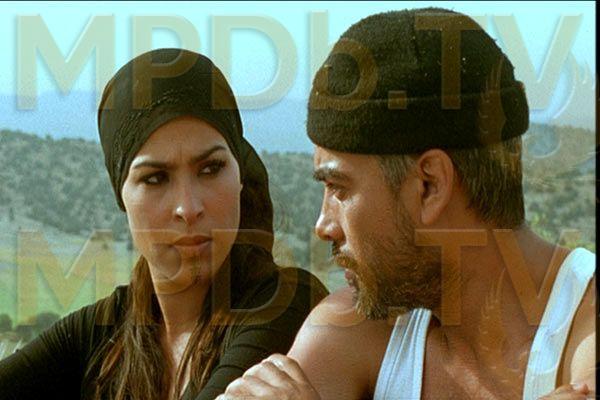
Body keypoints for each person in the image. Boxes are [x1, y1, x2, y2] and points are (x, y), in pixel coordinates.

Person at [217, 8, 595, 400]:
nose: (324, 225)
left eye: (339, 189)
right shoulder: (352, 332)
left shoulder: (585, 326)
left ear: (429, 186)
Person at [0, 48, 328, 400]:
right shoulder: (104, 333)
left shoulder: (286, 305)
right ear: (122, 196)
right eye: (155, 178)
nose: (188, 208)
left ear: (240, 175)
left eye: (211, 169)